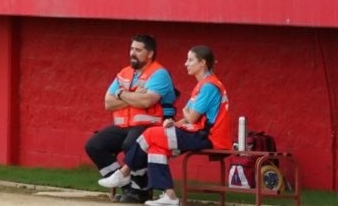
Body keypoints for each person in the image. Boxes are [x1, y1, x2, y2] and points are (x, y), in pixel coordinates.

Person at [108, 45, 232, 205]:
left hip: (209, 137)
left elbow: (192, 117)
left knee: (151, 133)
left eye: (190, 60)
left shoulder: (209, 86)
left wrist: (187, 112)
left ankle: (124, 172)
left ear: (202, 63)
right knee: (155, 147)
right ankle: (170, 197)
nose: (186, 63)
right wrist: (174, 123)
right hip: (199, 133)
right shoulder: (203, 84)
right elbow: (188, 116)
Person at [84, 35, 175, 189]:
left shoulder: (159, 73)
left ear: (150, 53)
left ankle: (141, 188)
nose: (133, 53)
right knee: (94, 145)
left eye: (138, 50)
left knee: (131, 144)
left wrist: (120, 93)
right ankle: (126, 185)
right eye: (132, 49)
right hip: (123, 126)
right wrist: (134, 95)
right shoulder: (124, 73)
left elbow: (146, 101)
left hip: (150, 125)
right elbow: (108, 103)